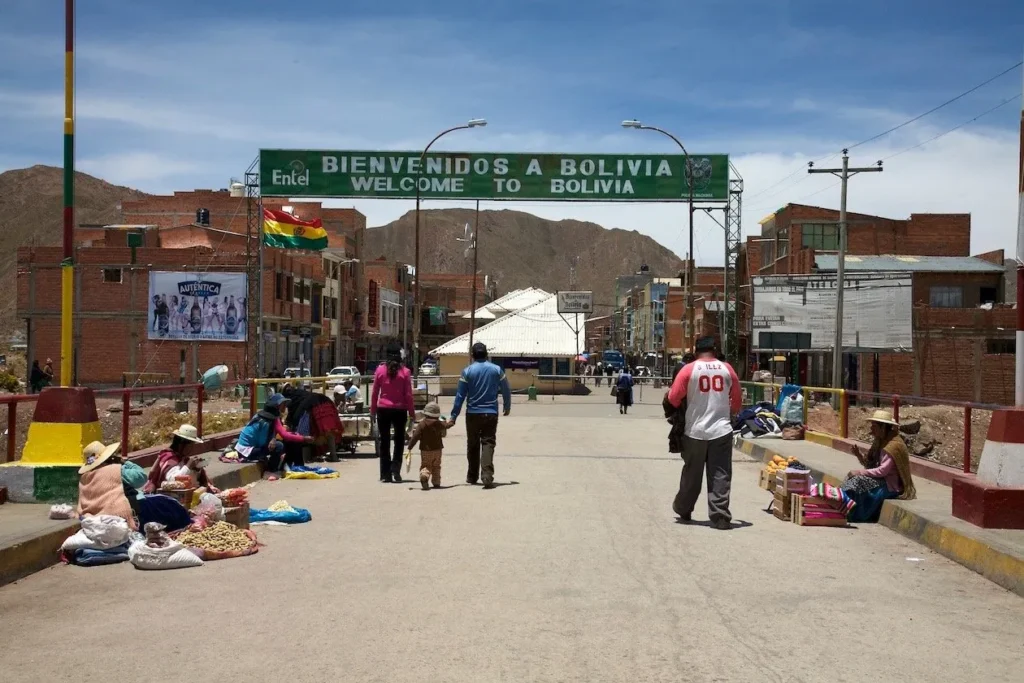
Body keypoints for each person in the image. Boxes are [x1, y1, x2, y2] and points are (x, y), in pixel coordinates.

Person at [666, 336, 742, 530]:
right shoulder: (727, 369)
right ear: (714, 350)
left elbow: (674, 399)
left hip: (695, 431)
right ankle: (720, 516)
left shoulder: (688, 370)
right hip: (721, 430)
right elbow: (737, 402)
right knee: (720, 474)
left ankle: (684, 508)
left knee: (692, 473)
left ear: (695, 350)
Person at [447, 342, 511, 488]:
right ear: (486, 354)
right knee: (488, 443)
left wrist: (454, 416)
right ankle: (487, 475)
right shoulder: (496, 370)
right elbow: (506, 388)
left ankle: (472, 476)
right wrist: (507, 406)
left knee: (473, 444)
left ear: (472, 355)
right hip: (491, 413)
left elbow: (460, 396)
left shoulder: (467, 371)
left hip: (472, 414)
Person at [842, 409, 917, 523]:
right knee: (852, 479)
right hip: (880, 479)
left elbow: (883, 471)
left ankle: (858, 514)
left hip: (890, 485)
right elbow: (870, 464)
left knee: (858, 481)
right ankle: (844, 507)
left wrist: (859, 472)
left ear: (883, 428)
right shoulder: (880, 441)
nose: (871, 429)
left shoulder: (893, 446)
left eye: (874, 426)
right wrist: (859, 456)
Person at [236, 393, 312, 474]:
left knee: (288, 442)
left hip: (249, 449)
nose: (285, 407)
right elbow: (283, 435)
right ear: (277, 406)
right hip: (246, 451)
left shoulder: (266, 416)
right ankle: (272, 470)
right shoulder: (268, 419)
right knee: (279, 446)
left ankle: (290, 466)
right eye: (283, 404)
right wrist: (304, 438)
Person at [370, 354, 415, 483]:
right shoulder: (405, 372)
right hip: (400, 410)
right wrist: (412, 413)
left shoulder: (380, 370)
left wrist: (373, 411)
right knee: (399, 441)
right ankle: (396, 469)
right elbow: (408, 394)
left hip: (383, 409)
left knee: (384, 442)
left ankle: (385, 474)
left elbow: (374, 393)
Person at [77, 441, 137, 529]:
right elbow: (141, 478)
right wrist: (125, 463)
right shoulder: (114, 470)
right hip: (117, 514)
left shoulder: (84, 478)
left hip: (94, 516)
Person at [143, 424, 216, 494]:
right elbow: (174, 481)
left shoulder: (183, 459)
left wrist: (196, 469)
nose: (192, 448)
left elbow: (189, 480)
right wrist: (188, 466)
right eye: (190, 445)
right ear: (181, 444)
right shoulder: (169, 458)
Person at [282, 384, 344, 462]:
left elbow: (295, 414)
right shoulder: (302, 393)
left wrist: (290, 423)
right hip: (326, 402)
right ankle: (333, 456)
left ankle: (306, 458)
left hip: (315, 407)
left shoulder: (292, 398)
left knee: (304, 432)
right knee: (329, 431)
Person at [407, 402, 448, 490]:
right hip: (438, 450)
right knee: (436, 466)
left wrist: (410, 446)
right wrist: (451, 421)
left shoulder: (422, 424)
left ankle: (424, 476)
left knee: (426, 465)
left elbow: (415, 436)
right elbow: (445, 430)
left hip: (425, 450)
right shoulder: (439, 423)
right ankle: (436, 482)